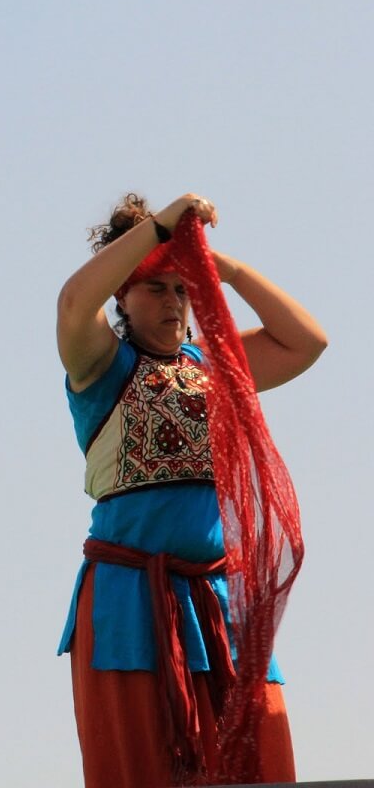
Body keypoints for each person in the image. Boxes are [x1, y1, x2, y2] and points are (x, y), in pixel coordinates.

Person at [54, 192, 327, 787]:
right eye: (156, 288)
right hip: (131, 605)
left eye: (183, 289)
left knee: (263, 762)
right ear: (123, 294)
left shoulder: (215, 361)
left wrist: (220, 268)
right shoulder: (101, 363)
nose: (174, 302)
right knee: (145, 769)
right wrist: (159, 228)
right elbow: (75, 301)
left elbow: (307, 342)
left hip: (220, 604)